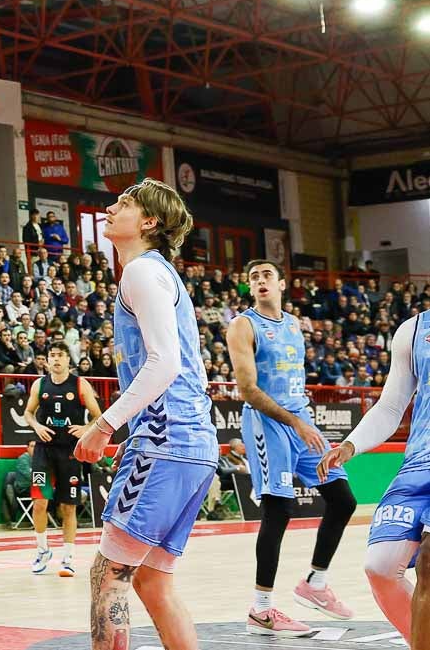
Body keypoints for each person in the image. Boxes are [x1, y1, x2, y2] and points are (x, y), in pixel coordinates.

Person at [74, 179, 218, 650]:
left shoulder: (141, 272)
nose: (111, 207)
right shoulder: (159, 275)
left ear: (150, 221)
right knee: (153, 582)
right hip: (194, 443)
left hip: (165, 440)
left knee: (108, 576)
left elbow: (164, 363)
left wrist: (103, 424)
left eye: (125, 203)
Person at [228, 258, 356, 634]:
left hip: (301, 421)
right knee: (279, 510)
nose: (260, 280)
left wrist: (305, 420)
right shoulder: (242, 325)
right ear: (250, 288)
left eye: (267, 275)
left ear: (282, 284)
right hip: (269, 423)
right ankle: (261, 608)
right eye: (253, 277)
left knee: (343, 499)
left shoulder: (295, 325)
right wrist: (297, 422)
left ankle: (314, 584)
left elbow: (293, 381)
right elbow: (248, 390)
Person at [318, 307, 430, 649]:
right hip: (419, 462)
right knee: (380, 568)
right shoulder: (413, 330)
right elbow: (391, 406)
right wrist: (351, 444)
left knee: (428, 563)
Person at [25, 340, 103, 577]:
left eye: (60, 355)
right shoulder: (40, 385)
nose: (56, 359)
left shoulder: (80, 385)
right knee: (39, 502)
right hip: (44, 451)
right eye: (52, 355)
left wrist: (86, 428)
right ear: (47, 361)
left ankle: (67, 558)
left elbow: (99, 416)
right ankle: (42, 550)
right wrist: (36, 426)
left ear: (69, 360)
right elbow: (28, 413)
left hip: (69, 452)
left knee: (68, 507)